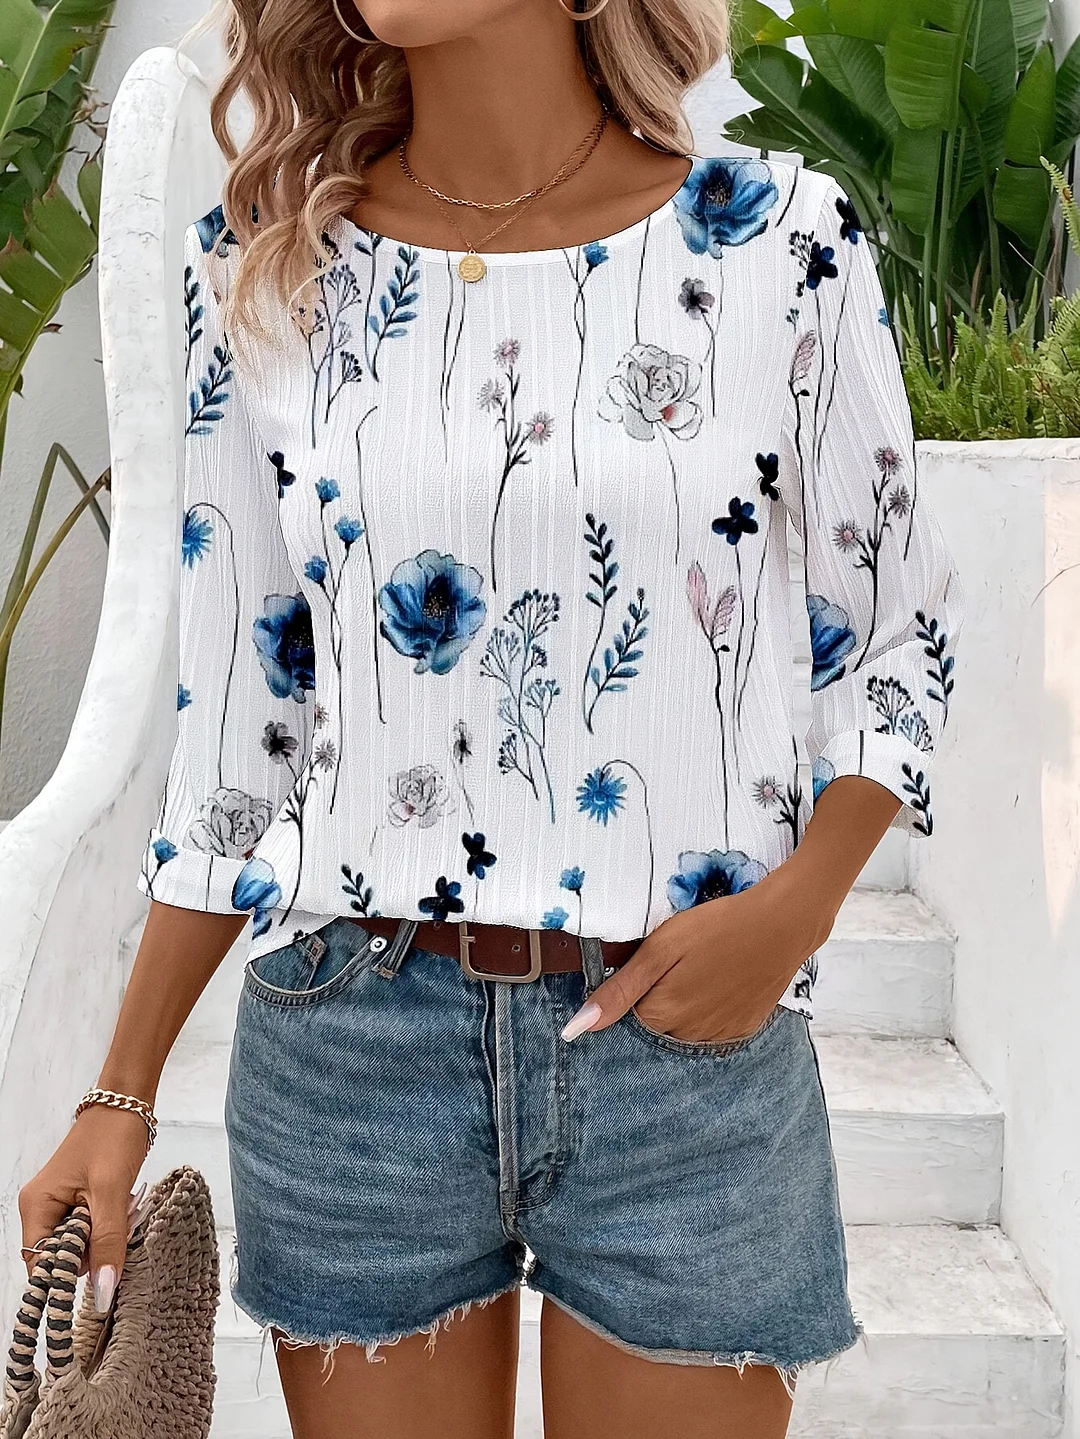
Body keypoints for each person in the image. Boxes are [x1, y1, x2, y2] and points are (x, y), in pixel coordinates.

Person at [18, 1, 965, 1435]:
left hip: (684, 1053)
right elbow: (240, 721)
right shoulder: (271, 265)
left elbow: (897, 634)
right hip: (355, 1044)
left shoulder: (779, 244)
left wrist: (797, 909)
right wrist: (120, 1090)